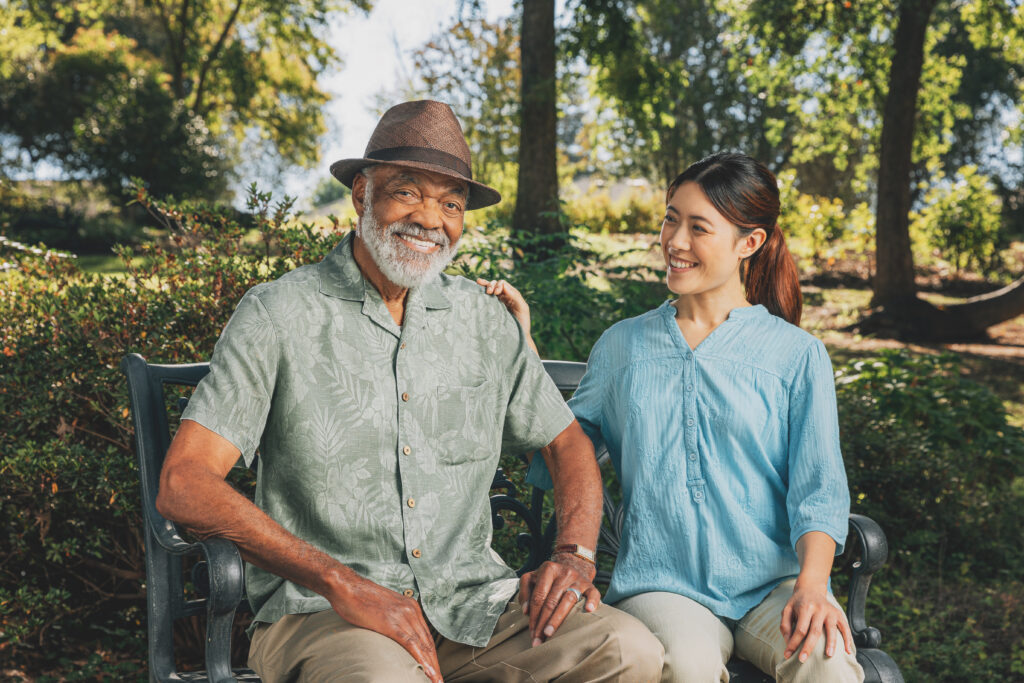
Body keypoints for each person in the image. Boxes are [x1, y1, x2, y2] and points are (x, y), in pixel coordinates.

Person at [155, 100, 663, 683]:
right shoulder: (280, 314)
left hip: (474, 608)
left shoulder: (483, 321)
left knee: (630, 652)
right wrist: (343, 583)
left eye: (451, 204)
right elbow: (184, 483)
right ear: (361, 194)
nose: (431, 218)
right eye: (408, 192)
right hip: (328, 615)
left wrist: (574, 556)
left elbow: (566, 444)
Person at [485, 152, 865, 683]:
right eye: (670, 218)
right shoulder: (622, 347)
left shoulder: (796, 355)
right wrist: (522, 349)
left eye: (698, 227)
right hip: (663, 585)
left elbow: (819, 490)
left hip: (775, 585)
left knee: (828, 666)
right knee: (685, 666)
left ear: (748, 243)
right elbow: (558, 454)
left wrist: (812, 586)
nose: (675, 241)